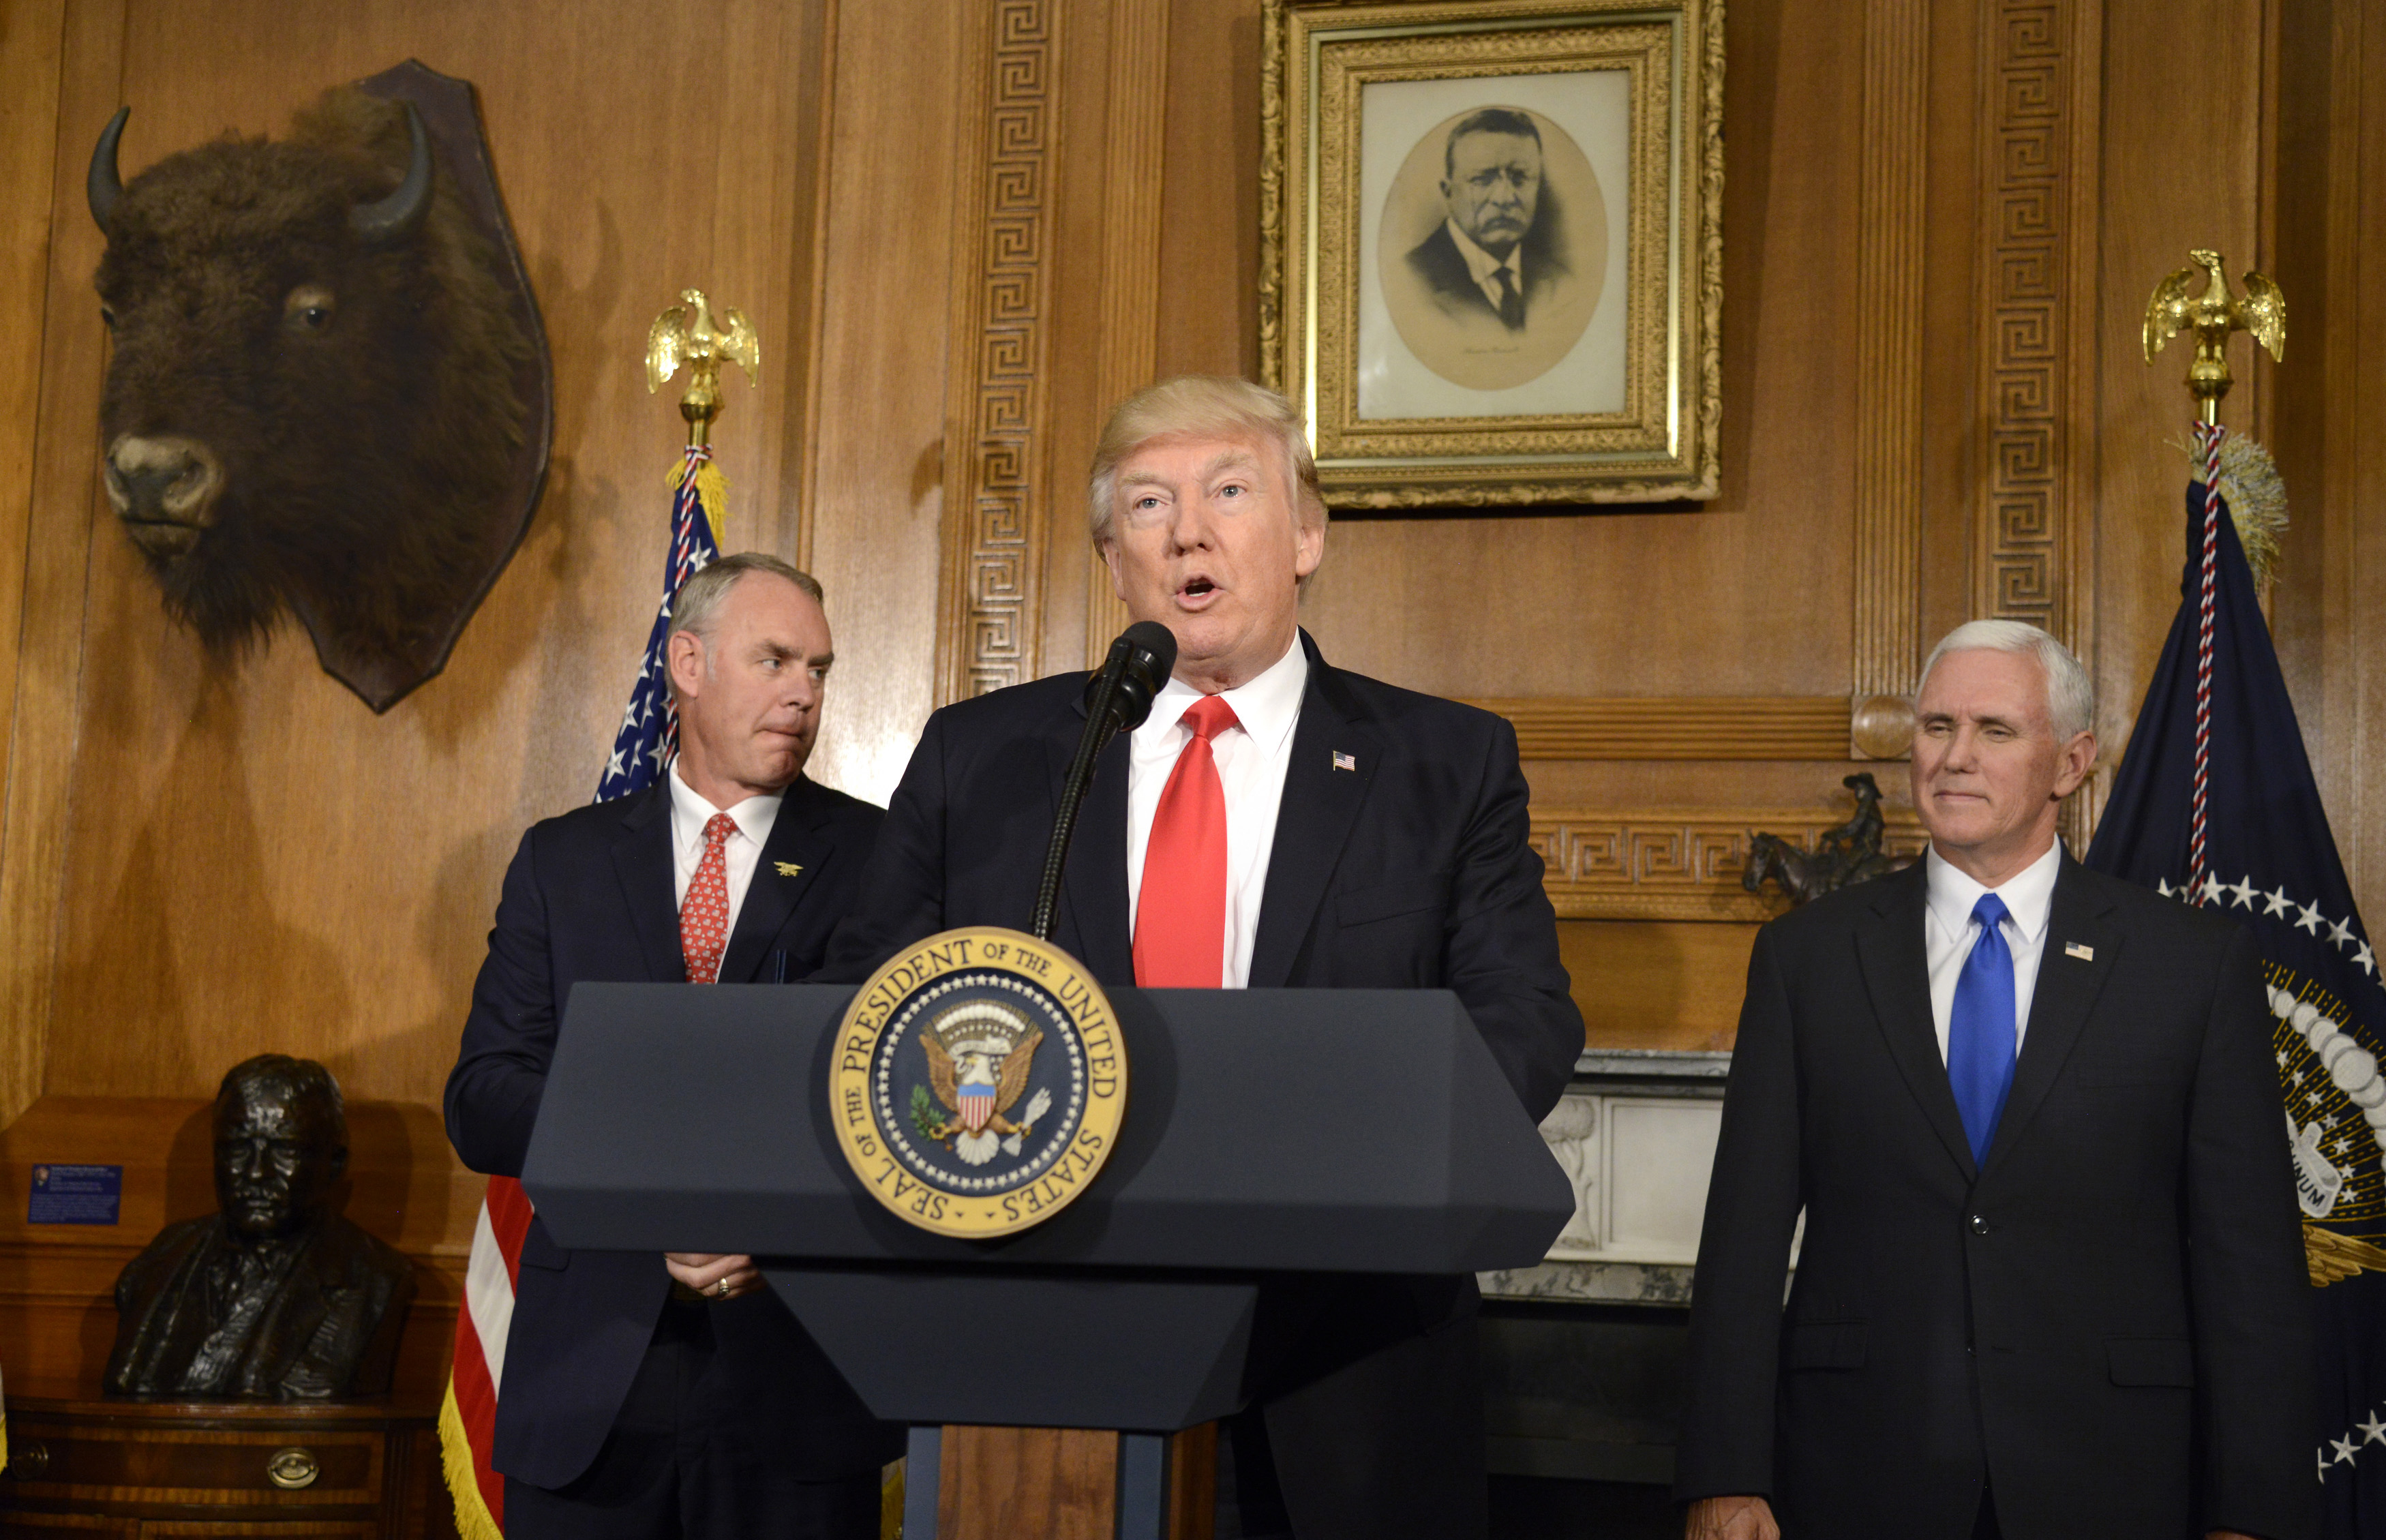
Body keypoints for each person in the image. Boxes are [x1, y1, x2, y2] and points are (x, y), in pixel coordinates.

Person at [824, 376, 1584, 1540]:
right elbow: (865, 1001)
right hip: (1043, 1355)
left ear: (1307, 536)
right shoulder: (983, 759)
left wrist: (1333, 1156)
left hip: (1346, 1361)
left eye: (1230, 490)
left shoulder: (1444, 760)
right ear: (1113, 559)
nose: (1189, 529)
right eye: (1147, 504)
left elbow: (1522, 1018)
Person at [1676, 620, 2315, 1540]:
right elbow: (1741, 1237)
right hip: (1857, 1468)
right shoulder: (1806, 956)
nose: (1954, 757)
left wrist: (2253, 1510)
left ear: (2072, 761)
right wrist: (1723, 1471)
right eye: (1937, 727)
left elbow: (2248, 1264)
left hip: (2111, 1474)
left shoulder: (2191, 964)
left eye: (1995, 730)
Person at [446, 553, 901, 1539]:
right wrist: (655, 1190)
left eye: (819, 669)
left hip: (797, 1380)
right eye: (775, 659)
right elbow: (485, 1096)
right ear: (686, 662)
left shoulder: (883, 860)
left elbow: (896, 1102)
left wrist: (765, 1227)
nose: (803, 692)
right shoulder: (564, 859)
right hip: (589, 1384)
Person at [104, 1054, 413, 1400]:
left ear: (334, 1163)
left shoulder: (371, 1278)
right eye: (237, 1148)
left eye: (284, 1149)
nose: (256, 1172)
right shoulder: (160, 1260)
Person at [1404, 107, 1571, 332]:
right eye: (1483, 179)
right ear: (1448, 193)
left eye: (1519, 178)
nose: (1504, 198)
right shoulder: (1411, 282)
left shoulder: (1560, 282)